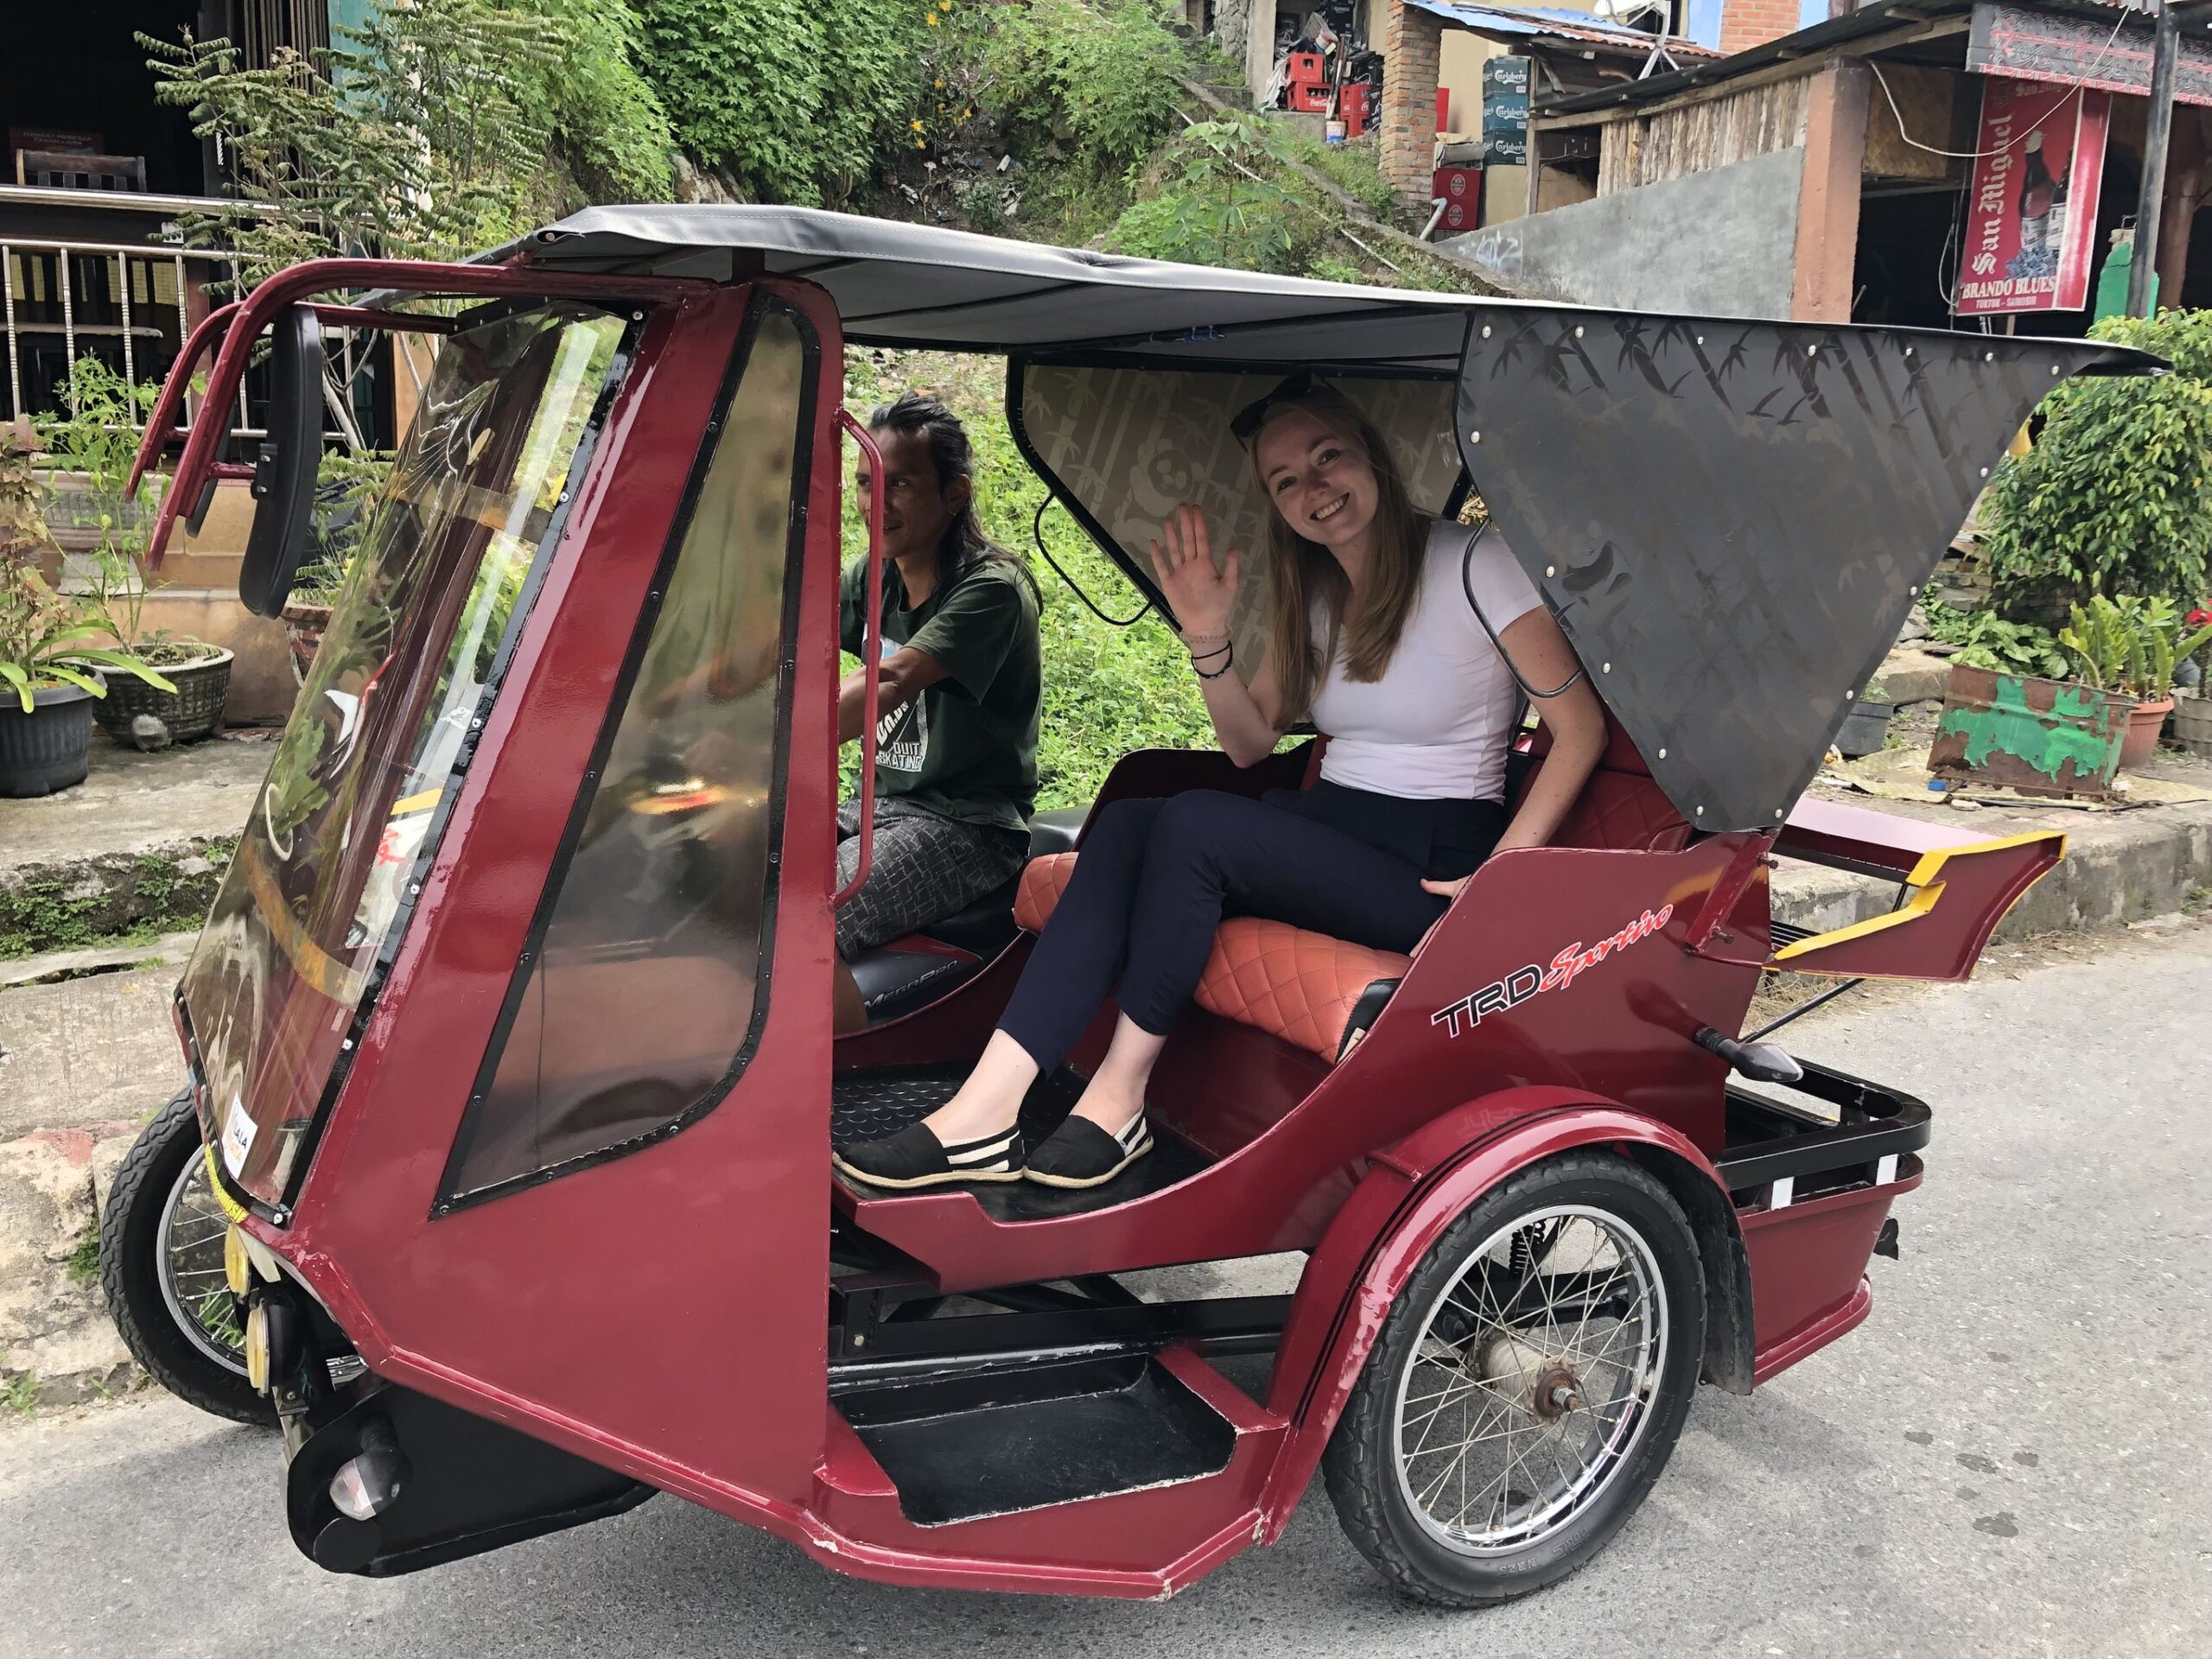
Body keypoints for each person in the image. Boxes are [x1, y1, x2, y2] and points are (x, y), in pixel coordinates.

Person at [833, 377, 1606, 1190]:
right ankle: (985, 1108)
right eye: (1285, 481)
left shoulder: (1478, 564)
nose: (1314, 490)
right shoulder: (1317, 593)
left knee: (1197, 828)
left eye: (1327, 458)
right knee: (1131, 823)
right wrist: (1206, 635)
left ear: (1370, 457)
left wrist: (1500, 880)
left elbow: (1578, 729)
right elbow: (1249, 744)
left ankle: (1118, 1101)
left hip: (1428, 856)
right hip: (1334, 829)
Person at [831, 395, 1042, 1030]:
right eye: (867, 484)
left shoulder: (990, 589)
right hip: (882, 809)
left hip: (968, 826)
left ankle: (828, 1084)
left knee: (804, 917)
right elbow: (775, 649)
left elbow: (891, 679)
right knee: (721, 862)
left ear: (954, 495)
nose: (876, 504)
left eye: (899, 484)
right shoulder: (875, 576)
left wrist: (777, 738)